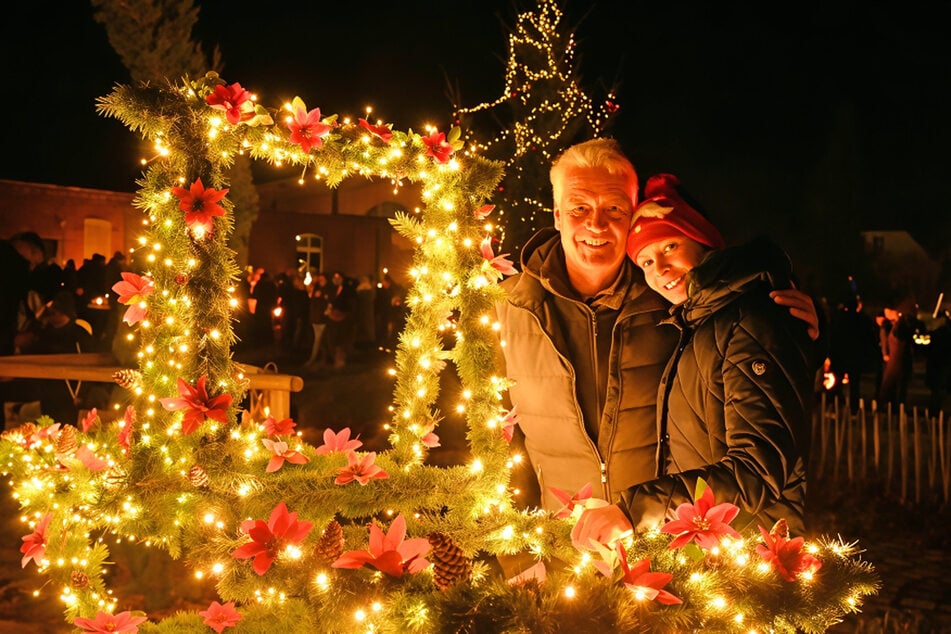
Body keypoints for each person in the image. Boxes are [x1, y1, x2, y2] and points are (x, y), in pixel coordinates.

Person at [494, 140, 819, 543]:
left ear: (631, 217)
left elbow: (741, 313)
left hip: (664, 551)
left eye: (614, 208)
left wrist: (790, 312)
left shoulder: (673, 301)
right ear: (558, 215)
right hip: (562, 549)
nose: (596, 224)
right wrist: (517, 551)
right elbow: (489, 441)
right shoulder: (506, 308)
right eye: (579, 207)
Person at [570, 173, 817, 550]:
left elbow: (758, 469)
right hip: (712, 554)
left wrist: (635, 511)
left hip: (753, 558)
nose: (661, 269)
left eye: (670, 245)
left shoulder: (749, 320)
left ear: (703, 241)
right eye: (646, 261)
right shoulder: (696, 326)